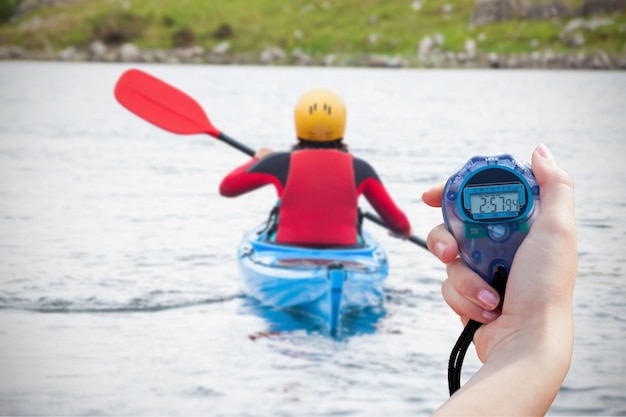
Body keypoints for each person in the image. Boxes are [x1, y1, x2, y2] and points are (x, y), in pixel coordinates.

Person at [423, 144, 577, 416]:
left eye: (502, 203)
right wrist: (527, 343)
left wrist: (527, 338)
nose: (495, 228)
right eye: (485, 204)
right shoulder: (520, 190)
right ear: (456, 202)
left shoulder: (464, 194)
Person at [219, 87, 411, 247]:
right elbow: (400, 224)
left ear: (299, 121)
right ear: (341, 122)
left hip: (287, 254)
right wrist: (401, 232)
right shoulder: (360, 169)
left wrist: (257, 160)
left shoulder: (278, 162)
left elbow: (227, 188)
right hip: (346, 256)